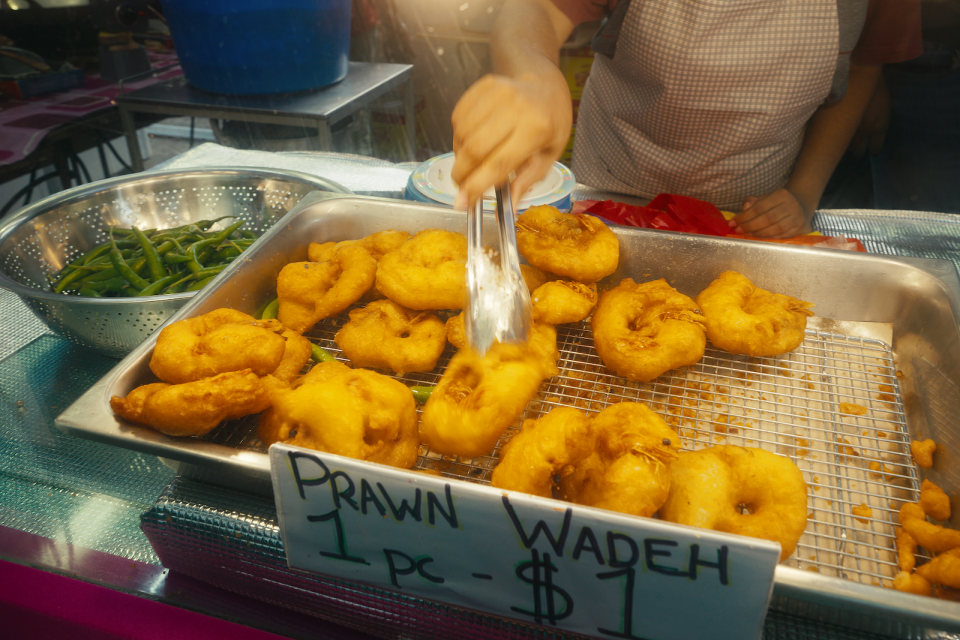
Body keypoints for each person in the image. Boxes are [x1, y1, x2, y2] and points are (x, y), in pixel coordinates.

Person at [451, 0, 922, 238]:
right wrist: (534, 75)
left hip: (753, 204)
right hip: (617, 181)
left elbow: (862, 66)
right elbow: (535, 8)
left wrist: (803, 193)